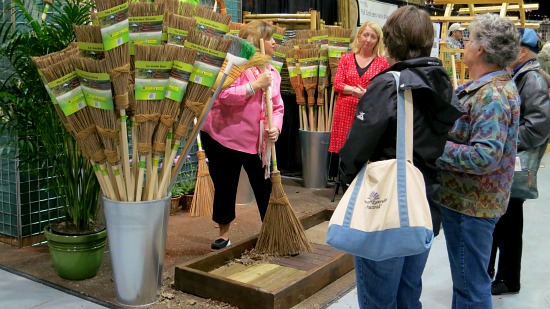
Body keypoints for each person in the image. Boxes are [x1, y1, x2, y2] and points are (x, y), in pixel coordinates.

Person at [339, 6, 464, 308]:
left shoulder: (388, 84)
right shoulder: (442, 81)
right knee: (409, 293)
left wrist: (346, 181)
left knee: (378, 298)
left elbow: (356, 149)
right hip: (424, 205)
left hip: (385, 208)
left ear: (390, 41)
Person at [436, 13, 521, 308]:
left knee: (471, 288)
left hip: (471, 205)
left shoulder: (492, 94)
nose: (466, 44)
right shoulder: (487, 88)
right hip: (468, 202)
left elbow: (484, 156)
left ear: (481, 48)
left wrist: (434, 147)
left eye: (470, 39)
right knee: (467, 285)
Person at [200, 20, 283, 250]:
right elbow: (221, 96)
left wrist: (275, 126)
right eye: (270, 38)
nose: (275, 42)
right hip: (224, 137)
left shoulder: (273, 73)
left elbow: (277, 107)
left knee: (265, 188)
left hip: (257, 142)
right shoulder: (234, 67)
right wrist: (254, 85)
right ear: (257, 42)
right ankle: (224, 234)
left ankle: (274, 231)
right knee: (225, 186)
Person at [488, 28, 550, 295]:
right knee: (501, 221)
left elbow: (538, 126)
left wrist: (504, 138)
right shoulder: (520, 76)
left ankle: (508, 278)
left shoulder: (531, 79)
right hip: (508, 164)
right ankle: (496, 273)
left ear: (522, 51)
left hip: (513, 165)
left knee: (509, 223)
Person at [328, 21, 389, 158]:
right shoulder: (346, 58)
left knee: (362, 149)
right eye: (366, 35)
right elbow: (337, 84)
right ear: (359, 36)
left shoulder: (382, 63)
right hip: (344, 111)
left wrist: (366, 94)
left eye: (373, 36)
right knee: (343, 150)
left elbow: (383, 90)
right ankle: (341, 179)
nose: (368, 40)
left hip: (368, 111)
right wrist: (355, 91)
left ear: (378, 40)